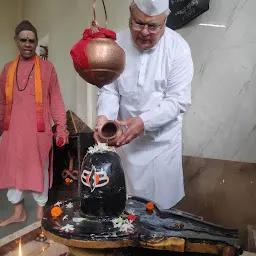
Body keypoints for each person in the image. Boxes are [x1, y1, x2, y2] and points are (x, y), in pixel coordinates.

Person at [94, 0, 194, 209]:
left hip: (162, 147)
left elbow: (177, 101)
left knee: (160, 216)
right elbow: (110, 90)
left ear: (164, 22)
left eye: (153, 26)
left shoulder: (178, 49)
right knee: (126, 211)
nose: (145, 32)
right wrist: (104, 118)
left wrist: (143, 122)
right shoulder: (116, 43)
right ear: (130, 17)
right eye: (138, 23)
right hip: (125, 146)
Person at [0, 20, 68, 226]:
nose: (27, 44)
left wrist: (62, 127)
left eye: (31, 40)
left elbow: (56, 99)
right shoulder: (8, 69)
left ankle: (40, 213)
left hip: (38, 132)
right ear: (16, 41)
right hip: (12, 131)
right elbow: (1, 101)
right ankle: (18, 212)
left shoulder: (48, 68)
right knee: (13, 170)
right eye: (23, 40)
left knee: (39, 169)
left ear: (36, 42)